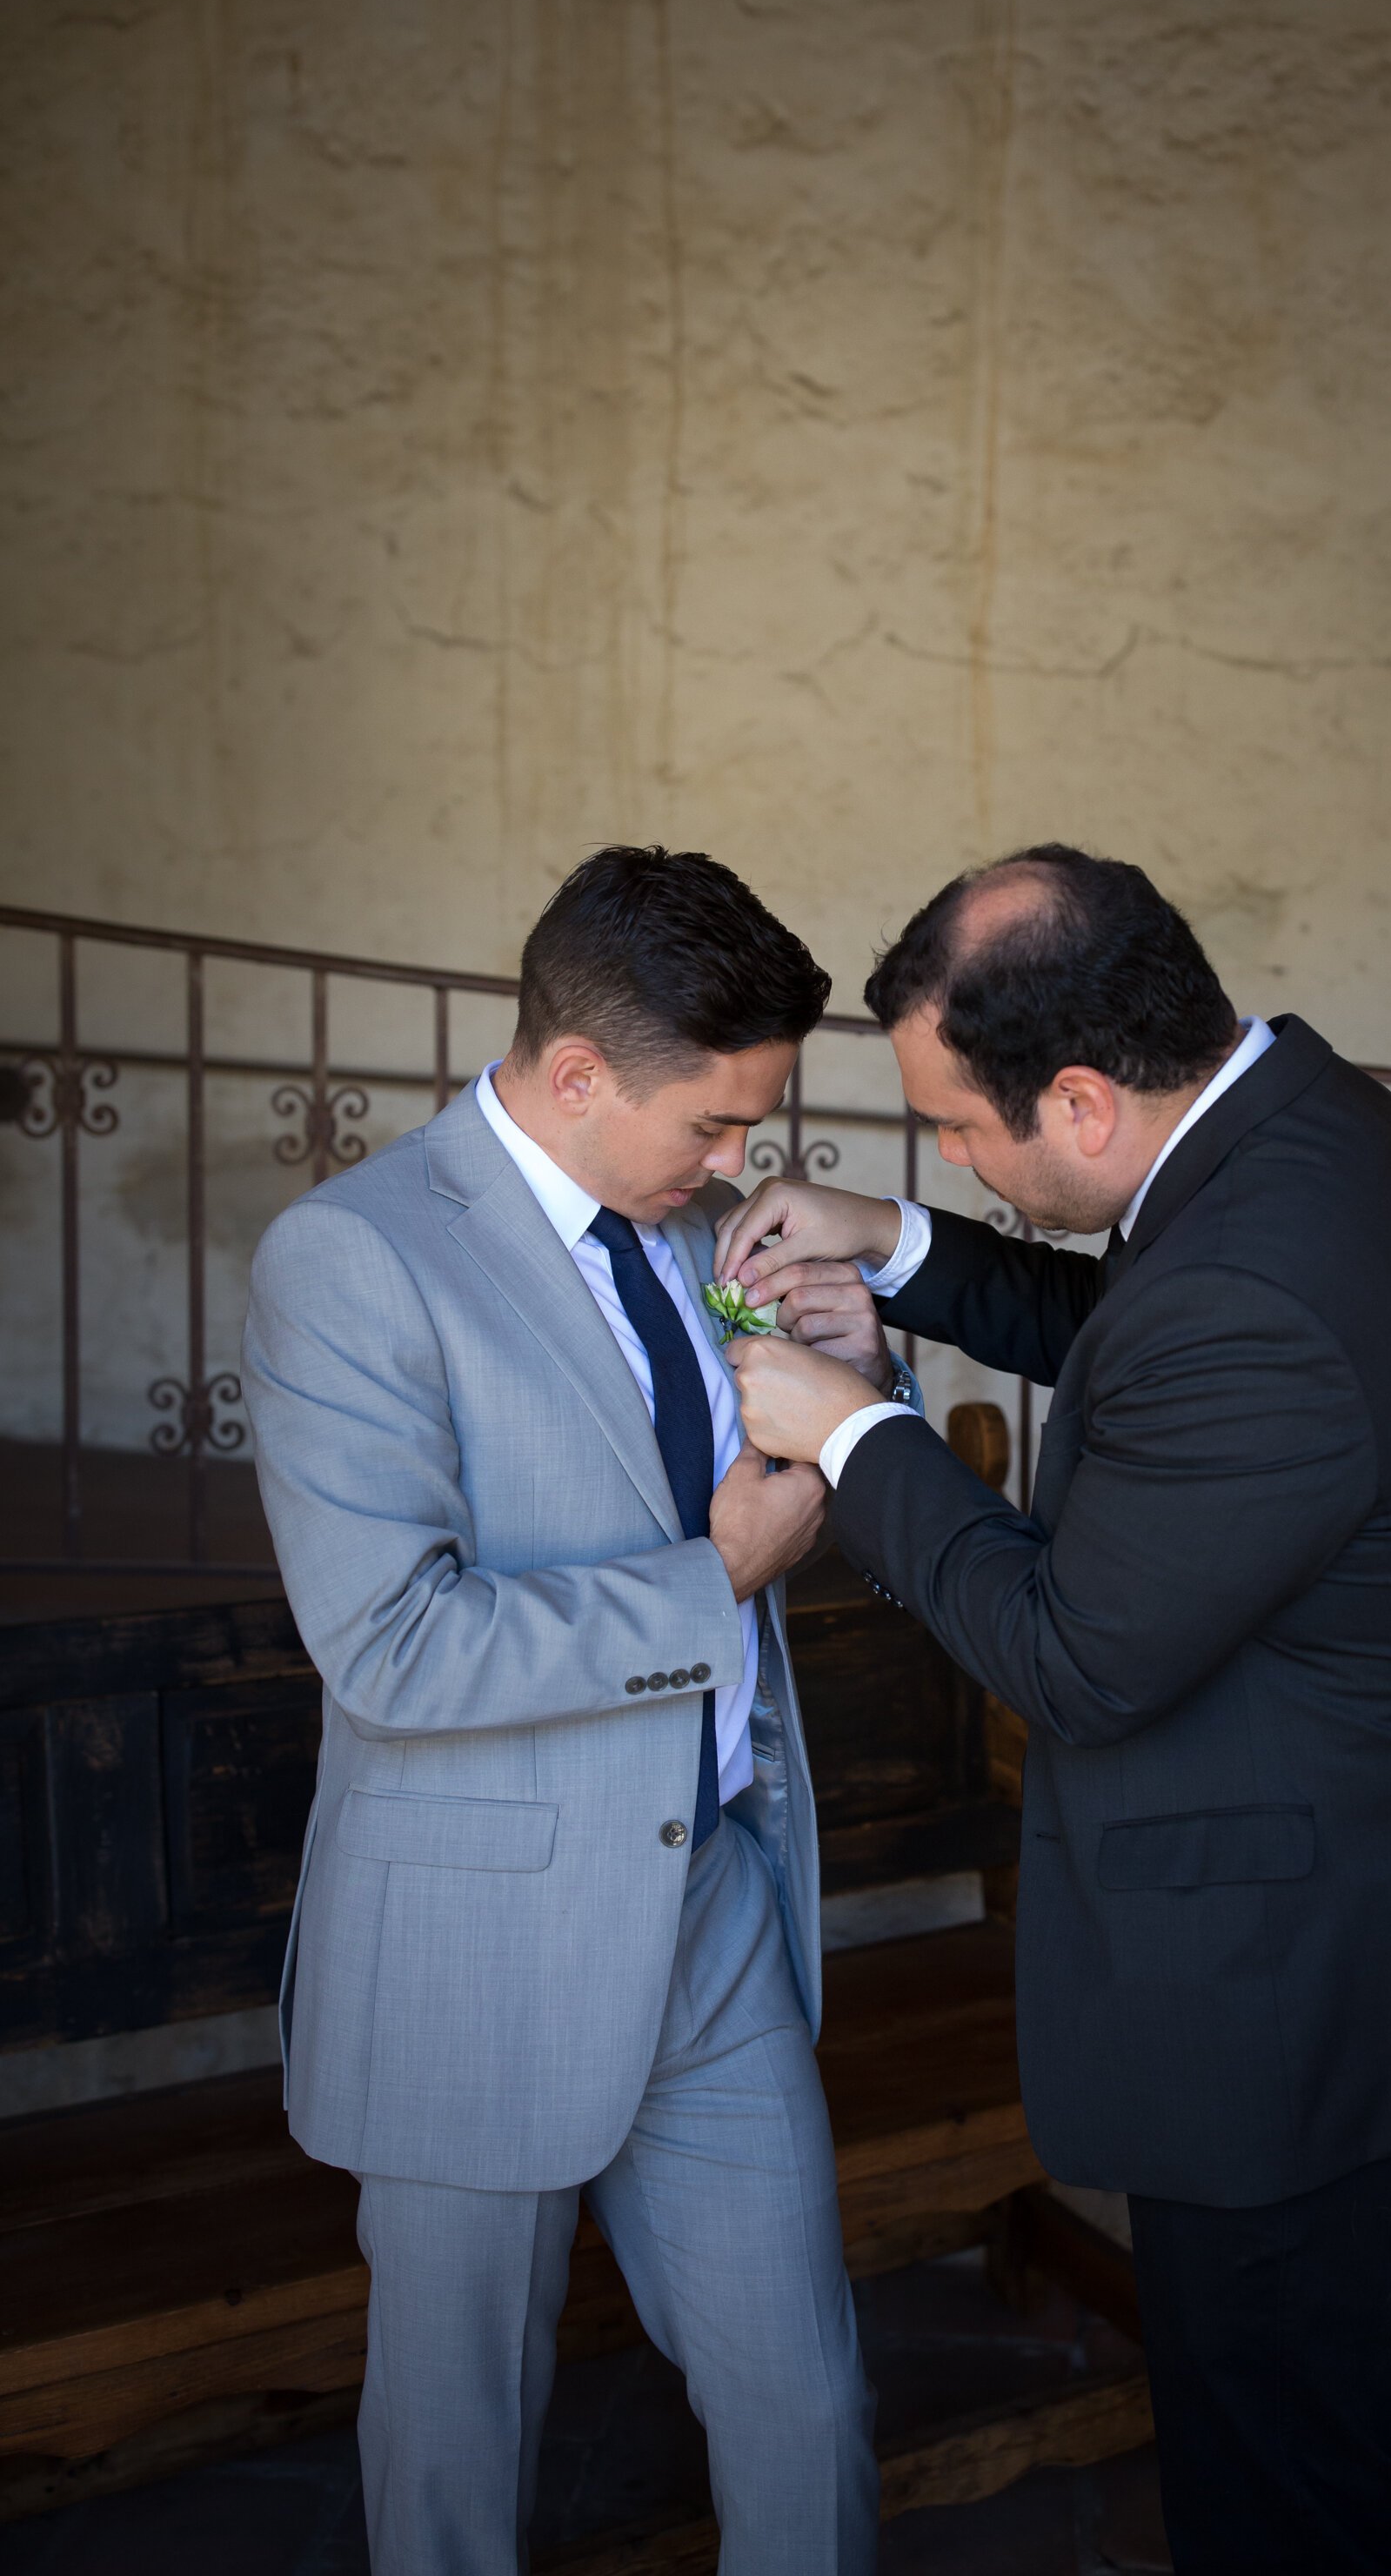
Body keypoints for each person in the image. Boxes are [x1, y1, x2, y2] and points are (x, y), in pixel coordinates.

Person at [714, 843, 1391, 2576]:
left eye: (959, 1130)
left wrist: (854, 1436)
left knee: (1291, 2505)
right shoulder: (1298, 1131)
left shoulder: (1249, 1290)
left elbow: (1074, 1655)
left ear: (1090, 1100)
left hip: (1318, 2026)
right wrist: (897, 1249)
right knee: (1309, 2461)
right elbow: (1143, 1336)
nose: (949, 1155)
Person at [242, 846, 898, 2576]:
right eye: (713, 1126)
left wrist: (852, 1374)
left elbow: (761, 1444)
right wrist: (718, 1579)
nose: (740, 1163)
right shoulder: (355, 1259)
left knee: (807, 2408)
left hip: (712, 1912)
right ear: (577, 1073)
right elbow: (391, 1646)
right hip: (482, 1939)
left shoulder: (691, 1232)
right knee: (459, 2457)